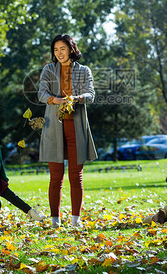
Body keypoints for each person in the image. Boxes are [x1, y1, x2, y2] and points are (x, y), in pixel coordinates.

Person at [38, 34, 97, 228]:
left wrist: (76, 98)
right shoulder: (48, 69)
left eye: (62, 48)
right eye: (55, 49)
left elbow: (91, 94)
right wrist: (57, 100)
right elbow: (41, 93)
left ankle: (75, 220)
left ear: (71, 49)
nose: (59, 53)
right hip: (54, 127)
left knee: (75, 176)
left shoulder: (83, 70)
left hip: (76, 126)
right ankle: (55, 220)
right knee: (55, 177)